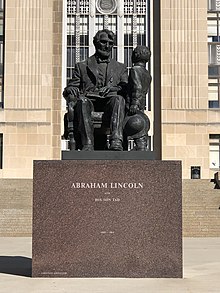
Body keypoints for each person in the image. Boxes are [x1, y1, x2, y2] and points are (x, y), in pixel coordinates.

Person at [63, 29, 128, 151]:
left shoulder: (120, 67)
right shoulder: (82, 66)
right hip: (90, 101)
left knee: (118, 99)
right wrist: (71, 90)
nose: (107, 46)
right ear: (96, 43)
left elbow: (125, 88)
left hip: (110, 103)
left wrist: (112, 88)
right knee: (82, 102)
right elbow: (70, 87)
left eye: (110, 43)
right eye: (103, 42)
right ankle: (87, 144)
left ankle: (116, 141)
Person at [123, 45, 152, 151]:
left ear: (135, 55)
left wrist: (134, 103)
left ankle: (139, 146)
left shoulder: (135, 70)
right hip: (141, 103)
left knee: (132, 123)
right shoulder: (147, 73)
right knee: (139, 125)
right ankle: (142, 146)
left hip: (132, 103)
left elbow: (137, 87)